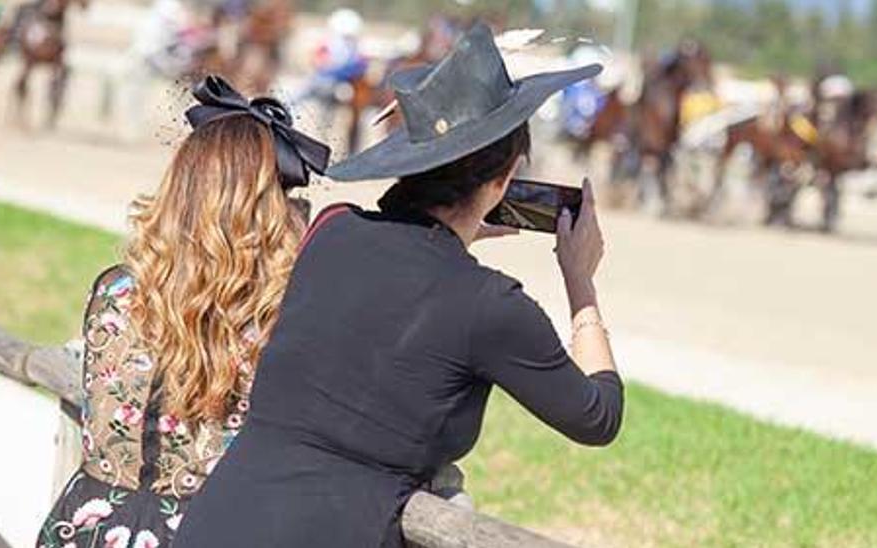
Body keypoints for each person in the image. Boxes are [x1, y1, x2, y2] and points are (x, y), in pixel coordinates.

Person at [173, 24, 624, 547]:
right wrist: (580, 281)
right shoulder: (491, 304)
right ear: (504, 179)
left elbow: (407, 287)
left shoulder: (333, 230)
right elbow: (597, 416)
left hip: (221, 519)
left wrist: (462, 235)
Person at [35, 75, 330, 548]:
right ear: (266, 209)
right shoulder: (281, 311)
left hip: (87, 528)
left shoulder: (116, 288)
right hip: (207, 532)